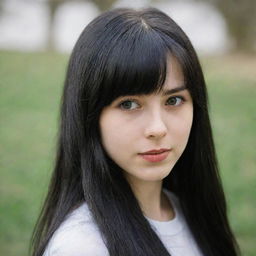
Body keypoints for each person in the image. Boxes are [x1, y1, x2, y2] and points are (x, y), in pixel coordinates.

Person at [31, 7, 240, 256]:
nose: (157, 128)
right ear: (90, 115)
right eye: (129, 104)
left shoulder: (193, 213)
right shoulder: (83, 246)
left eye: (173, 100)